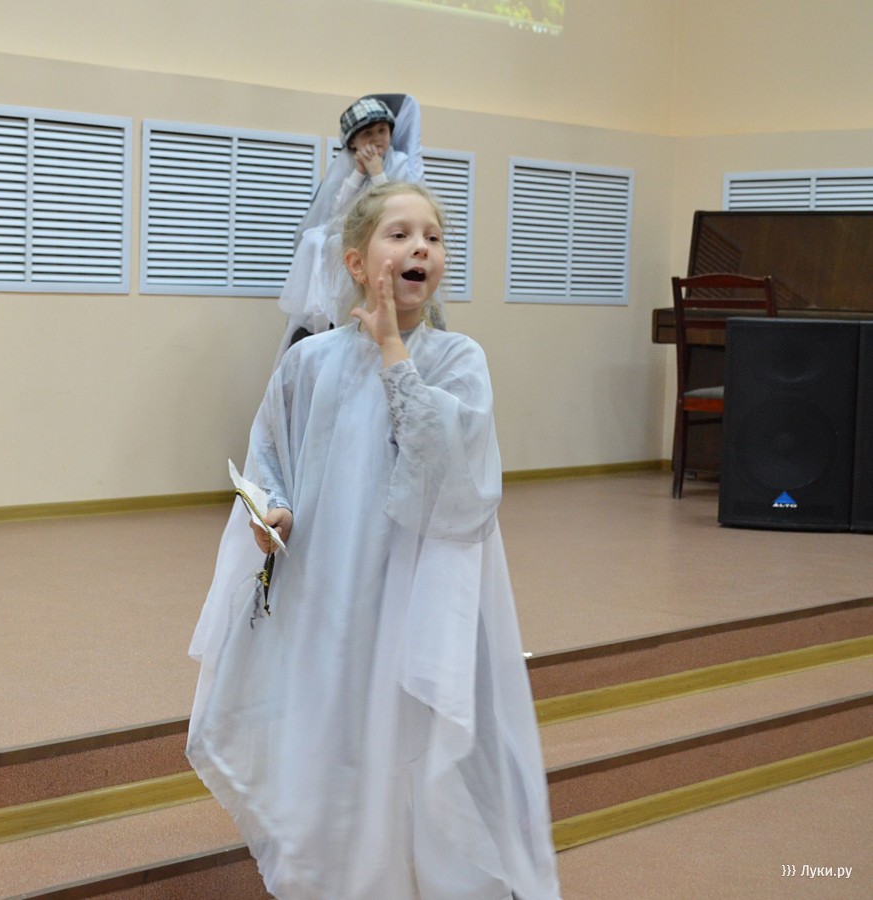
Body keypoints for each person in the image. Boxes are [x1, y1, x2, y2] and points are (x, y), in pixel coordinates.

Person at [187, 182, 561, 899]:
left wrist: (392, 348)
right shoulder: (309, 362)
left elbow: (454, 480)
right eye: (400, 234)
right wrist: (274, 510)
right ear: (356, 263)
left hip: (410, 589)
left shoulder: (457, 359)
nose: (421, 246)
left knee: (404, 732)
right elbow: (270, 454)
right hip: (327, 585)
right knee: (334, 728)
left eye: (433, 236)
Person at [273, 94, 427, 366]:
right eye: (368, 133)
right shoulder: (345, 168)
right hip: (353, 254)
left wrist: (377, 173)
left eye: (382, 131)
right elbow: (335, 214)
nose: (377, 139)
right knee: (318, 241)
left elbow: (395, 210)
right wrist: (358, 173)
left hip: (389, 252)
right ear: (353, 142)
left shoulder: (400, 163)